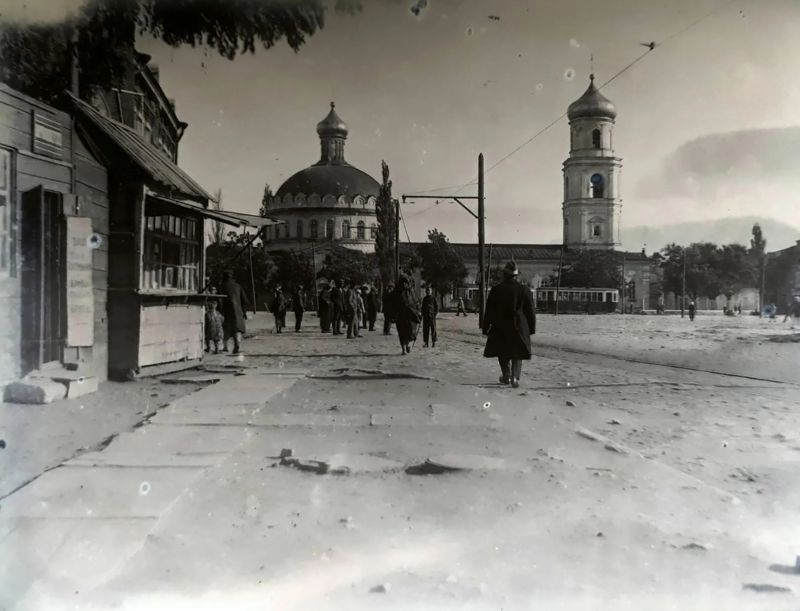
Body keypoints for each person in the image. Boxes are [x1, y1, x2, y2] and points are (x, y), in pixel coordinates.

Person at [482, 261, 535, 388]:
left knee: (503, 352)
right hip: (519, 326)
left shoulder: (496, 290)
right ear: (516, 275)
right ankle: (515, 377)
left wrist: (485, 327)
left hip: (501, 325)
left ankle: (506, 375)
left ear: (504, 275)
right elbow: (531, 312)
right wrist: (530, 329)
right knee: (517, 352)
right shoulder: (524, 290)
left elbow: (489, 311)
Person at [221, 270, 249, 354]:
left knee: (226, 330)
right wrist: (244, 312)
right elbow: (245, 300)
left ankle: (225, 347)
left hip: (226, 312)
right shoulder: (238, 286)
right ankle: (237, 344)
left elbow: (219, 300)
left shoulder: (222, 286)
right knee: (237, 329)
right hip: (237, 312)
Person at [393, 274, 421, 355]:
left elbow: (416, 301)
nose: (404, 284)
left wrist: (418, 311)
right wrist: (393, 314)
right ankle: (403, 349)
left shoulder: (410, 291)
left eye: (406, 282)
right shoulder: (396, 292)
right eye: (403, 282)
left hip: (410, 314)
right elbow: (392, 304)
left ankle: (407, 344)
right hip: (400, 315)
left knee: (410, 331)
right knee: (401, 332)